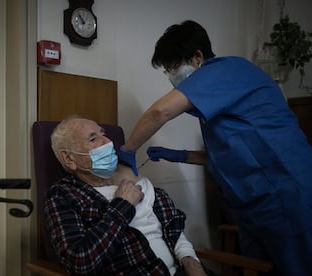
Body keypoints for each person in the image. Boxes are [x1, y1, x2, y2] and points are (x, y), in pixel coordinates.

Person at [118, 20, 312, 276]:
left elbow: (160, 111)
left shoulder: (225, 69)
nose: (172, 77)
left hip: (285, 195)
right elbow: (227, 156)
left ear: (198, 57)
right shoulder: (217, 99)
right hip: (251, 208)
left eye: (173, 67)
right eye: (167, 71)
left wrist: (128, 150)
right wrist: (178, 156)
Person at [46, 116, 207, 275]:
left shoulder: (133, 178)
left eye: (103, 134)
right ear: (69, 158)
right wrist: (123, 205)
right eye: (93, 139)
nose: (108, 142)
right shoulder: (63, 196)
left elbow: (172, 229)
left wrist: (191, 261)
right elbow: (81, 263)